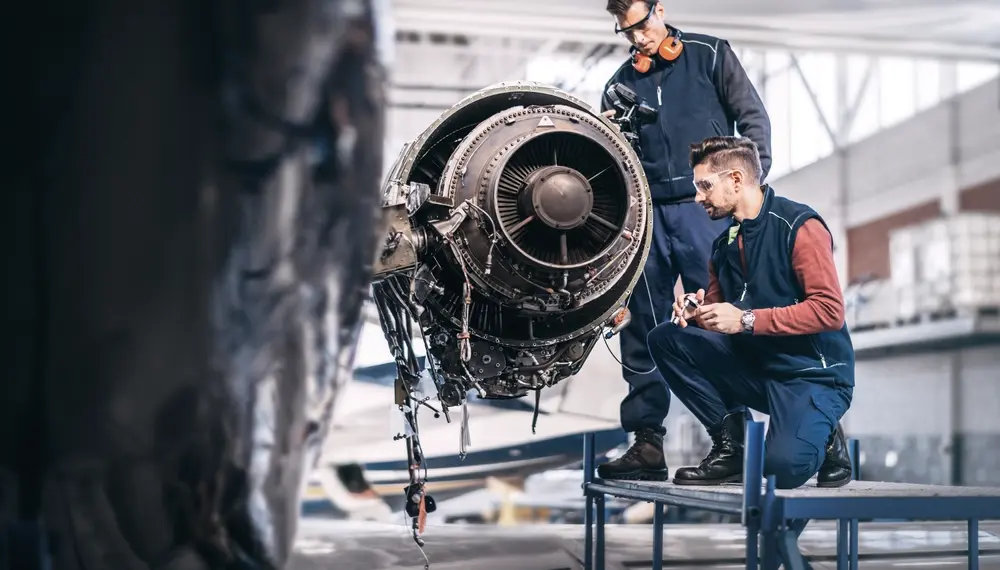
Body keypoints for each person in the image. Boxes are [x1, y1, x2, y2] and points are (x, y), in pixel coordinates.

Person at [596, 0, 772, 481]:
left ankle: (734, 440)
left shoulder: (710, 55)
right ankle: (646, 442)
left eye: (641, 25)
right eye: (626, 31)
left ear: (660, 9)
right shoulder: (618, 85)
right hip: (646, 218)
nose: (638, 38)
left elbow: (753, 121)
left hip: (705, 212)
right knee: (641, 328)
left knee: (719, 319)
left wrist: (746, 192)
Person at [646, 136, 853, 489]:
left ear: (736, 179)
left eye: (705, 186)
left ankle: (827, 432)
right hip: (760, 366)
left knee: (780, 471)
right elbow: (718, 315)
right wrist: (697, 311)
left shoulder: (799, 226)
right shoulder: (723, 245)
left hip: (811, 375)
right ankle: (732, 448)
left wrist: (745, 320)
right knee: (667, 338)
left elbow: (829, 310)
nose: (697, 197)